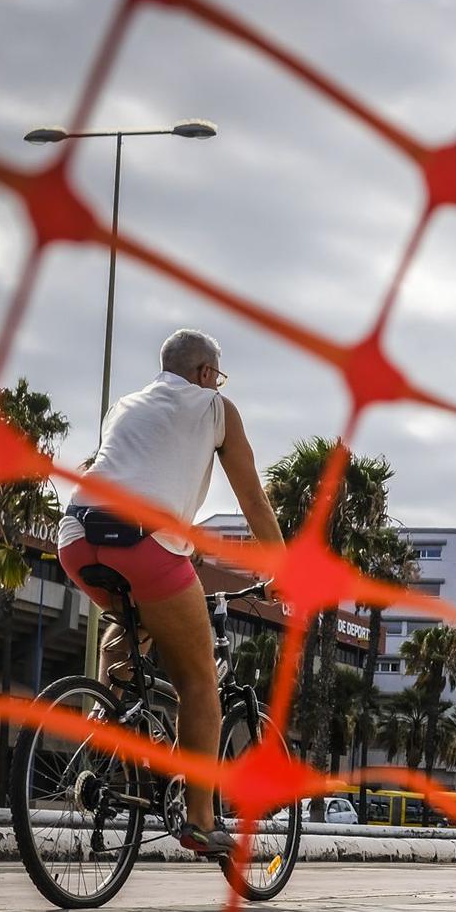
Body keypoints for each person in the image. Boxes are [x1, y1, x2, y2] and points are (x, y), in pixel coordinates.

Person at [57, 329, 284, 856]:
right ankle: (201, 821)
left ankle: (113, 708)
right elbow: (252, 496)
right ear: (206, 375)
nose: (218, 383)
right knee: (199, 683)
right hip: (142, 542)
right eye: (217, 376)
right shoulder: (216, 408)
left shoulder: (126, 404)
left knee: (132, 620)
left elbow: (103, 470)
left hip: (76, 535)